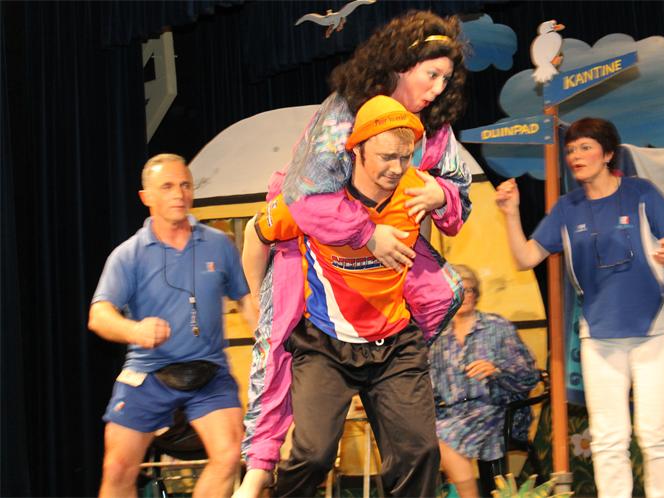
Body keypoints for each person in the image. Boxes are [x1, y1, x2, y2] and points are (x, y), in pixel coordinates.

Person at [237, 10, 470, 495]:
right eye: (431, 74)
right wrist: (367, 234)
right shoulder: (345, 114)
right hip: (316, 280)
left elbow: (458, 198)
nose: (437, 89)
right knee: (279, 361)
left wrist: (440, 194)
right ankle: (257, 473)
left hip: (389, 316)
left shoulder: (434, 132)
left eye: (446, 80)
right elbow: (298, 202)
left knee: (416, 448)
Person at [495, 118, 664, 498]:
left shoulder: (641, 192)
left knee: (656, 434)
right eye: (571, 150)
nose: (575, 155)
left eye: (585, 147)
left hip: (655, 334)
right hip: (599, 338)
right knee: (607, 438)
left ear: (607, 154)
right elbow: (525, 258)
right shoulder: (566, 208)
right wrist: (510, 213)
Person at [88, 154, 251, 498]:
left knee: (229, 454)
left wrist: (275, 342)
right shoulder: (129, 254)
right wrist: (134, 331)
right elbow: (99, 315)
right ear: (146, 196)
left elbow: (247, 301)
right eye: (167, 186)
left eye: (185, 185)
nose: (179, 193)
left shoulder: (218, 244)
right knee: (117, 468)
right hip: (147, 373)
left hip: (209, 372)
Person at [430, 265, 539, 498]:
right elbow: (430, 388)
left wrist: (497, 371)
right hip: (453, 413)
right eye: (458, 290)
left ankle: (465, 493)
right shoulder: (439, 338)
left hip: (497, 409)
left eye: (469, 290)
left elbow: (529, 376)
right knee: (423, 432)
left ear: (476, 294)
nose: (464, 296)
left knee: (441, 433)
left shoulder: (497, 327)